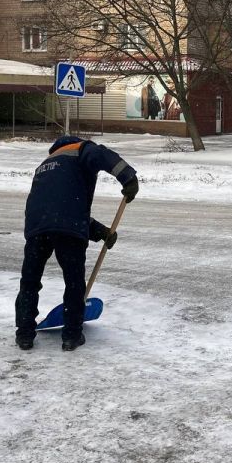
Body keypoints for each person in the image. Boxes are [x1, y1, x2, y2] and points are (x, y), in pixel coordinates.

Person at [15, 135, 139, 352]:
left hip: (36, 227)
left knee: (30, 281)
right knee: (74, 281)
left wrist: (99, 232)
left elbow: (56, 208)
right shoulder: (81, 149)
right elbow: (102, 156)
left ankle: (24, 334)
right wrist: (128, 177)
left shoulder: (45, 165)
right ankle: (71, 335)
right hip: (67, 228)